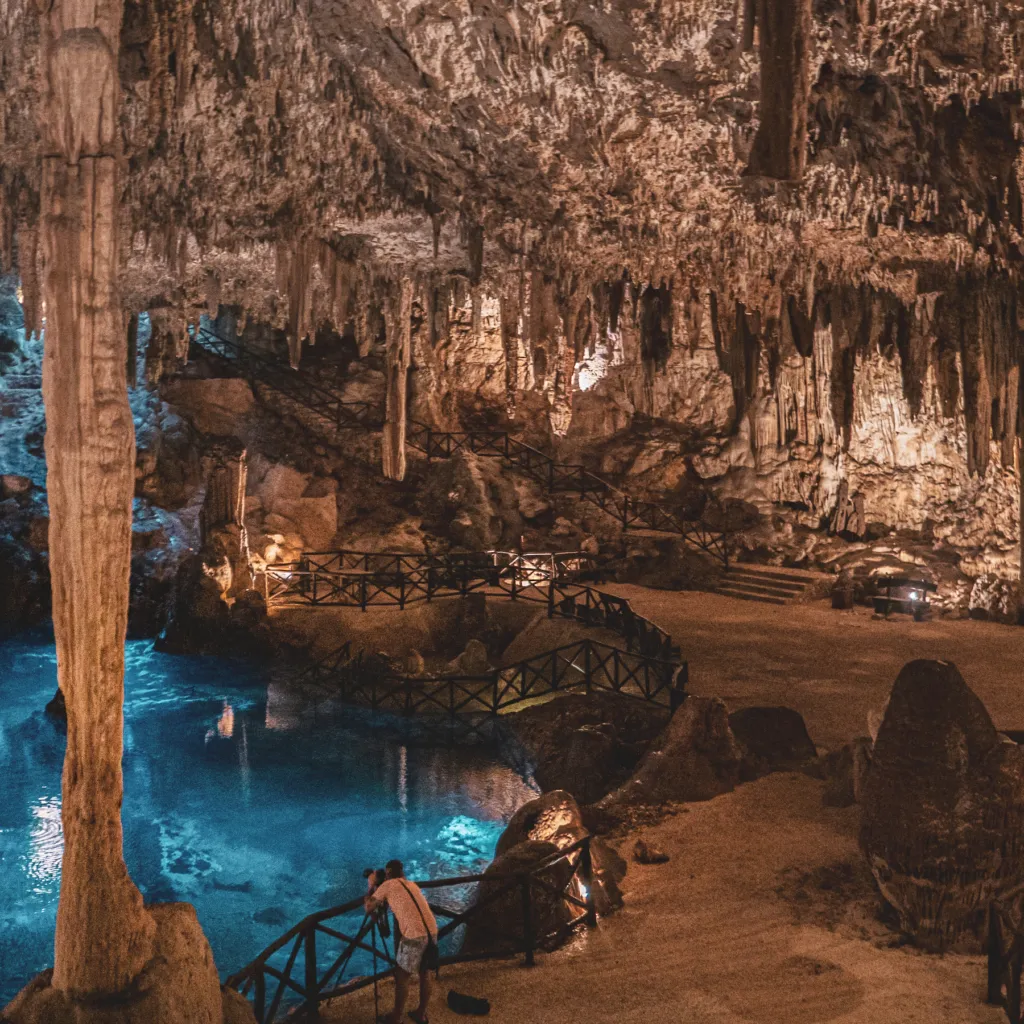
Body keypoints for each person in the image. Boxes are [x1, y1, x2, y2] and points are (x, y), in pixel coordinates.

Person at [364, 859, 438, 1024]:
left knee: (402, 976)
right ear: (402, 872)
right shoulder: (412, 884)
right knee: (425, 972)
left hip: (414, 935)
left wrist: (371, 885)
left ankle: (396, 1018)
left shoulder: (387, 885)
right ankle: (421, 1014)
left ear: (388, 873)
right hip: (432, 930)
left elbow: (369, 907)